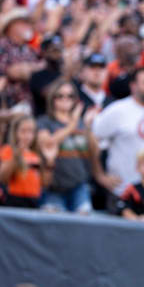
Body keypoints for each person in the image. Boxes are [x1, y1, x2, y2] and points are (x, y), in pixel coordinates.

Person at [36, 81, 118, 213]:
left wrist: (88, 127)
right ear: (52, 98)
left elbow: (94, 151)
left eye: (70, 96)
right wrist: (72, 124)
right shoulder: (45, 122)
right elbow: (47, 144)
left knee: (83, 227)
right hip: (53, 187)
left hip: (79, 186)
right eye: (60, 96)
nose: (65, 99)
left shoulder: (81, 123)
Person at [92, 67, 144, 213]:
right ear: (133, 86)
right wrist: (99, 175)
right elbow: (92, 137)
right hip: (121, 191)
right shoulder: (118, 110)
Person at [0, 115, 45, 209]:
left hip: (34, 199)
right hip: (15, 199)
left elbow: (43, 182)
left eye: (31, 131)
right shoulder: (8, 150)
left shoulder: (36, 154)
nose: (27, 136)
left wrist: (49, 163)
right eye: (23, 131)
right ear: (15, 132)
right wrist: (16, 157)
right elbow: (3, 178)